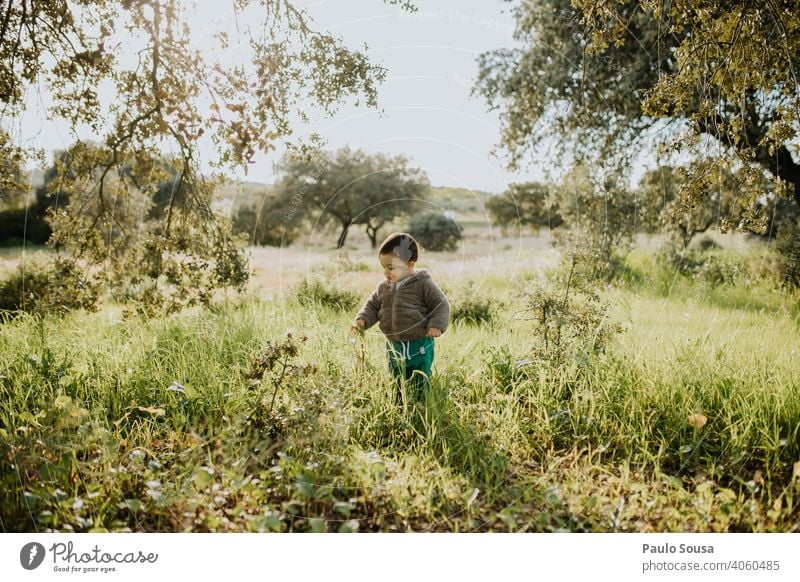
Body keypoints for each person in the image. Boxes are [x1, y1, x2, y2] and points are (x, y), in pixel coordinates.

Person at [351, 232, 450, 404]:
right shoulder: (384, 286)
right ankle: (399, 401)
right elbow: (373, 305)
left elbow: (441, 304)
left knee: (419, 373)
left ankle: (421, 402)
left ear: (410, 265)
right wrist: (362, 320)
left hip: (419, 341)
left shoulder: (422, 283)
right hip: (394, 343)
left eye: (391, 267)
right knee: (396, 373)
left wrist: (436, 325)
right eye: (383, 267)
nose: (386, 272)